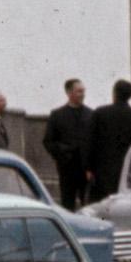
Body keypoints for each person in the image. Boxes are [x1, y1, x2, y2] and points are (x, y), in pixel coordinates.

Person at [88, 78, 131, 199]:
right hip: (129, 171)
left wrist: (88, 168)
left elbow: (90, 142)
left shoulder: (100, 113)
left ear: (114, 93)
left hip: (103, 170)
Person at [43, 78, 92, 207]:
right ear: (69, 93)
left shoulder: (91, 114)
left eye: (83, 91)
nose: (82, 94)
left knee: (88, 205)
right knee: (67, 203)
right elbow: (48, 141)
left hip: (86, 169)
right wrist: (62, 153)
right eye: (79, 91)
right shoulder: (57, 115)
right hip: (67, 169)